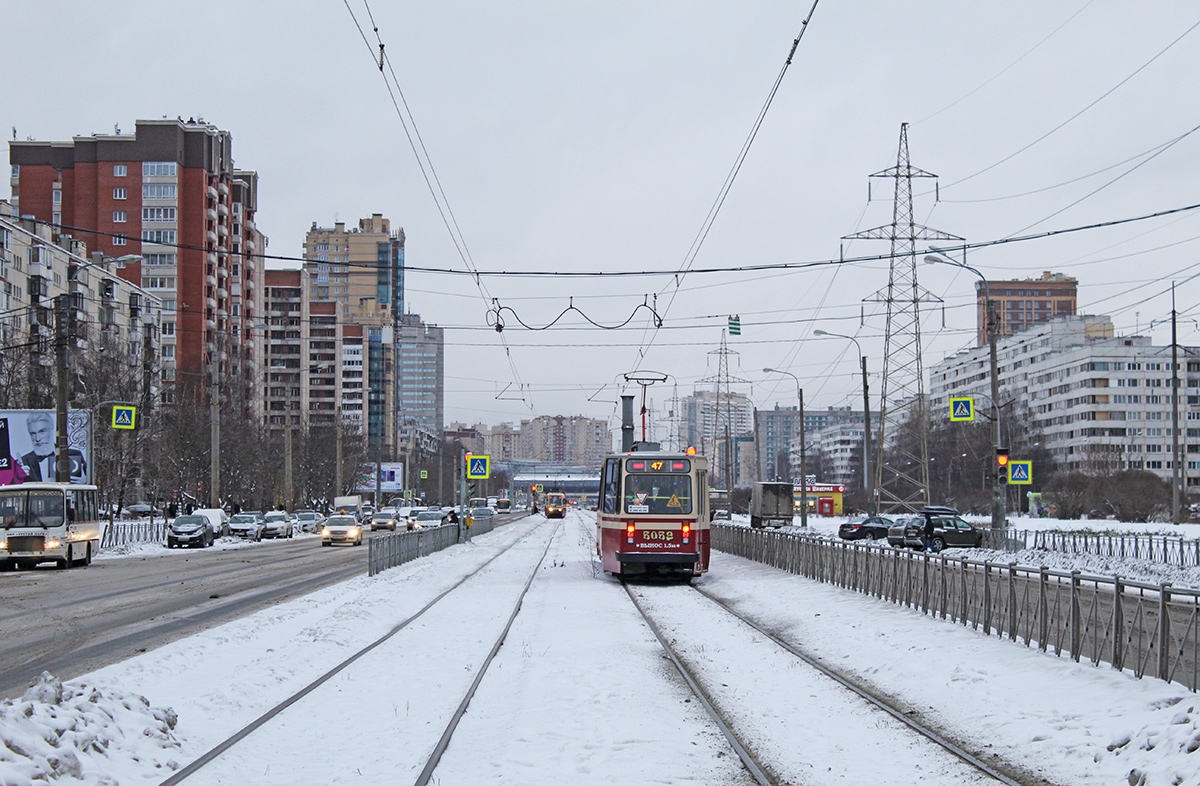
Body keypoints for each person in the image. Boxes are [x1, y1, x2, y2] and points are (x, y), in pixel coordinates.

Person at [19, 413, 87, 482]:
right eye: (33, 433)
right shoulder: (24, 462)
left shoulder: (73, 455)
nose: (37, 438)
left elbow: (92, 482)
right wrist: (19, 480)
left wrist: (84, 482)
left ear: (51, 428)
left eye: (42, 431)